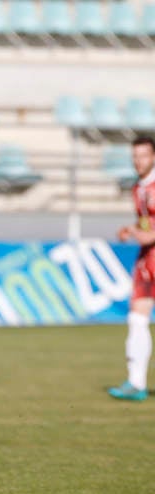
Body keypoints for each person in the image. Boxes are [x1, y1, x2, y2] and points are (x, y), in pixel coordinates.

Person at [108, 136, 155, 402]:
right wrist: (133, 229)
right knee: (137, 317)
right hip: (148, 258)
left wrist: (141, 232)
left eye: (144, 156)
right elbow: (148, 226)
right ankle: (136, 383)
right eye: (135, 156)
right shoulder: (138, 188)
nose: (138, 161)